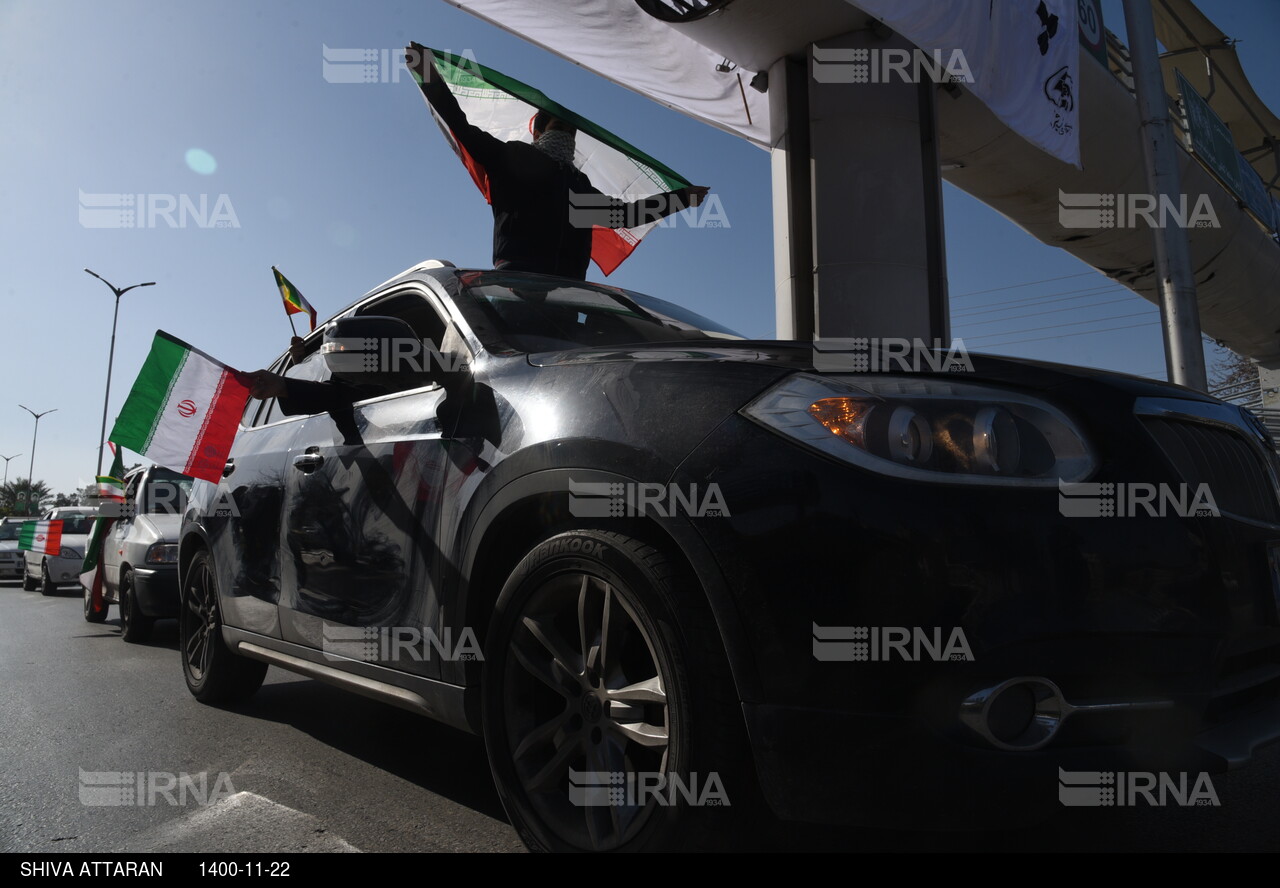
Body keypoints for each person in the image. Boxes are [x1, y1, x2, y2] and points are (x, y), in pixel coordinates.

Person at [407, 42, 709, 280]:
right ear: (537, 132)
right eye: (557, 126)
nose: (566, 134)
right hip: (517, 281)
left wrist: (682, 198)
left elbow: (626, 216)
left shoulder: (577, 185)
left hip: (569, 290)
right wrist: (430, 76)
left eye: (570, 130)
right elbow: (462, 127)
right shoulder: (512, 158)